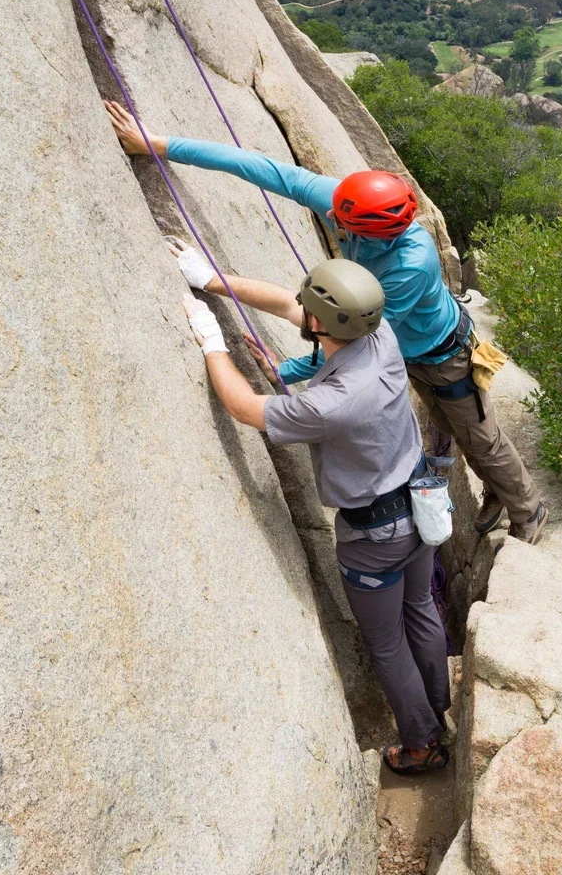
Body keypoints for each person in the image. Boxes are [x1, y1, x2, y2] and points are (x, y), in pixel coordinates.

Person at [105, 100, 548, 544]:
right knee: (455, 427)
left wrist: (288, 371)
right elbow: (263, 168)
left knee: (479, 436)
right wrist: (160, 144)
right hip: (411, 353)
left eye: (343, 223)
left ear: (372, 231)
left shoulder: (410, 266)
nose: (334, 221)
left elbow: (359, 341)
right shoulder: (351, 203)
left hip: (442, 356)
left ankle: (528, 508)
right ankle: (497, 487)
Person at [176, 249, 450, 773]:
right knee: (419, 608)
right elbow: (286, 303)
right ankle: (439, 704)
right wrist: (211, 279)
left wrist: (212, 342)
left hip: (375, 535)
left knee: (387, 641)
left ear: (324, 323)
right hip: (420, 502)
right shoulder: (382, 335)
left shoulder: (330, 402)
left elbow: (242, 407)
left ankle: (422, 743)